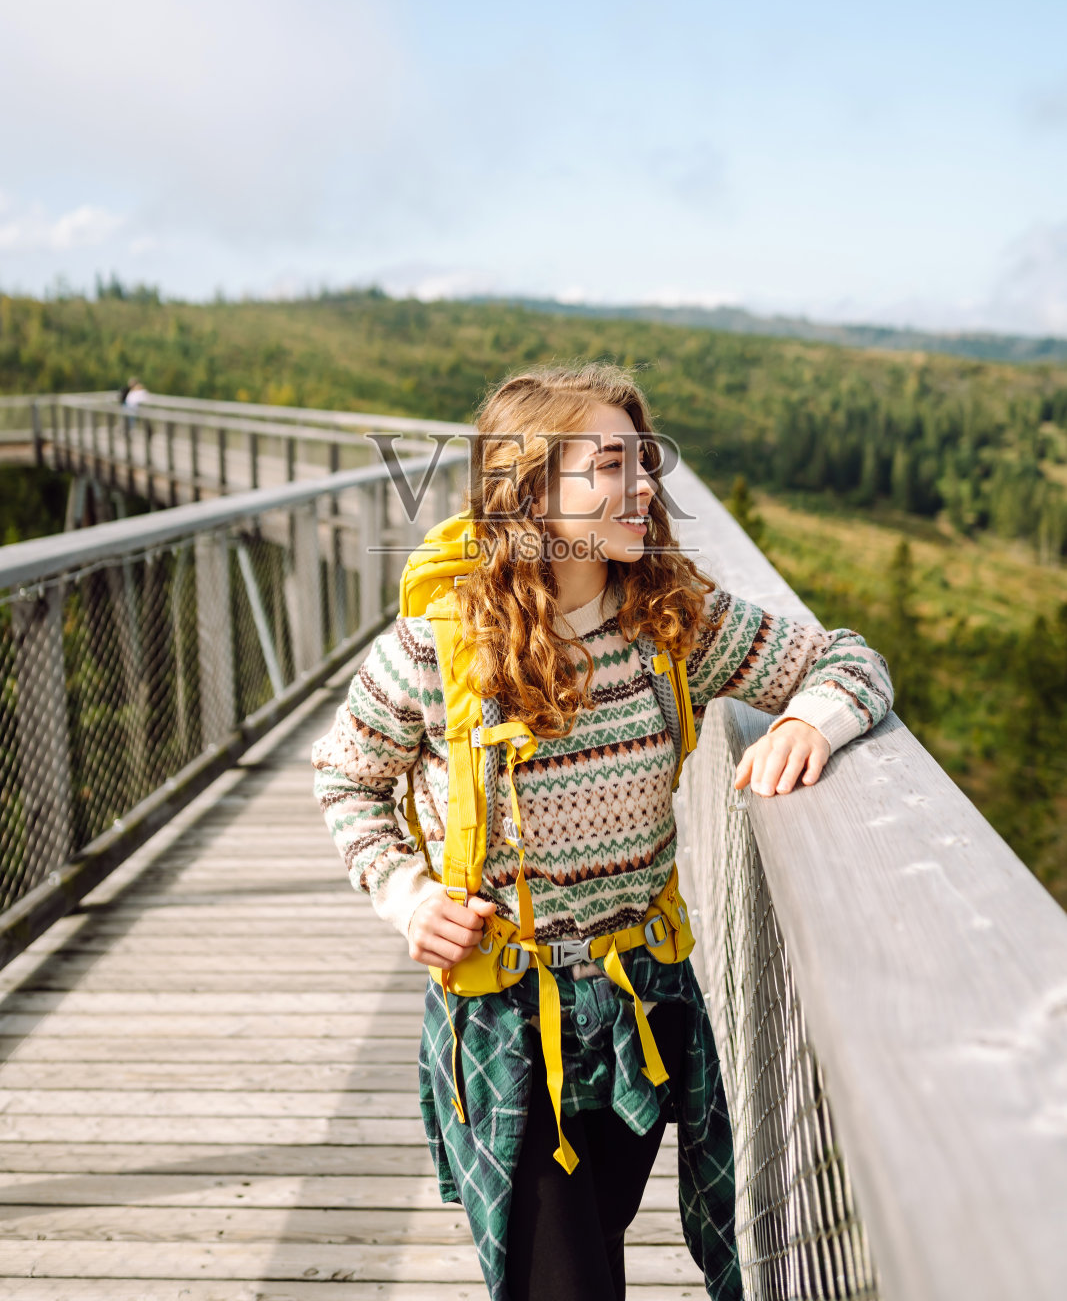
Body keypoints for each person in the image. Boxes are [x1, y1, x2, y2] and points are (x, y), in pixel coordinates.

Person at [312, 363, 893, 1301]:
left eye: (644, 461)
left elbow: (845, 660)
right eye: (610, 465)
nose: (644, 488)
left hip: (639, 1015)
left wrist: (803, 723)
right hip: (506, 1018)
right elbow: (346, 775)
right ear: (529, 492)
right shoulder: (439, 647)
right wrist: (403, 894)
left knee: (600, 1249)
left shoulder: (670, 623)